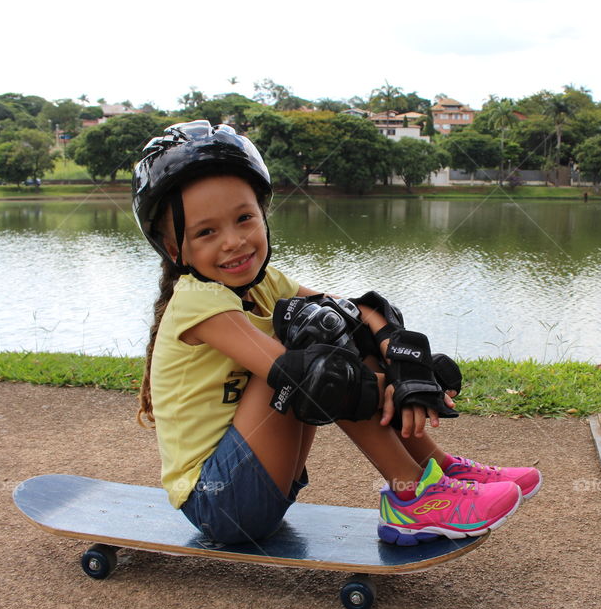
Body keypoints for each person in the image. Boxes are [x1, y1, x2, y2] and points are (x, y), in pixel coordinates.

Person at [133, 121, 541, 546]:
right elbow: (299, 376)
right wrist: (384, 386)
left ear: (263, 215)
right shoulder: (198, 302)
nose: (234, 241)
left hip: (264, 483)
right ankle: (412, 497)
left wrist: (404, 362)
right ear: (175, 249)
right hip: (218, 502)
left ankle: (440, 470)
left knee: (333, 323)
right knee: (319, 356)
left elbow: (359, 311)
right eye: (206, 232)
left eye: (243, 218)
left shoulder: (265, 282)